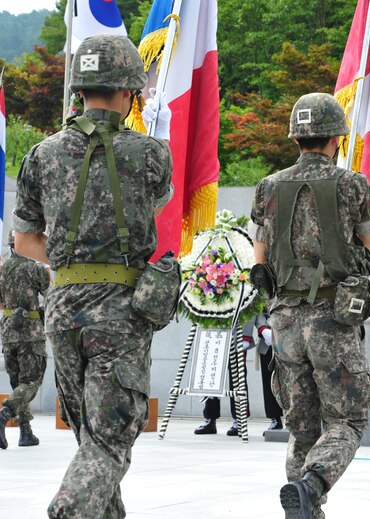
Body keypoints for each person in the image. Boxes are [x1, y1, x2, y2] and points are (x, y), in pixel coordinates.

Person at [12, 34, 173, 518]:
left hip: (62, 309)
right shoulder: (150, 154)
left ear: (79, 89)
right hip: (120, 313)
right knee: (109, 443)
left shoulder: (41, 154)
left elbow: (24, 242)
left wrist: (69, 258)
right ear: (128, 91)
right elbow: (158, 206)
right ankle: (66, 510)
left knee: (91, 441)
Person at [251, 92, 370, 519]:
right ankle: (313, 483)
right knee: (349, 418)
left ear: (296, 139)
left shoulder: (268, 186)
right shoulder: (352, 183)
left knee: (301, 425)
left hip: (285, 318)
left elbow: (261, 251)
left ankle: (303, 505)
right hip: (333, 316)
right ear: (336, 138)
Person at [0, 231, 50, 449]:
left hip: (8, 331)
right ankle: (4, 413)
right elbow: (54, 296)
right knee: (30, 382)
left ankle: (25, 432)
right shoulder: (35, 268)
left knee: (18, 383)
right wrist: (40, 313)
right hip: (30, 333)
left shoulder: (2, 269)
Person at [193, 324, 251, 437]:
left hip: (236, 330)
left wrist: (245, 335)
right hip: (214, 329)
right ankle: (210, 418)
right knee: (211, 373)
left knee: (237, 377)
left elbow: (249, 309)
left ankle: (239, 419)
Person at [256, 311, 284, 431]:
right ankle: (275, 417)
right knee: (269, 379)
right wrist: (262, 328)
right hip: (268, 335)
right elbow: (257, 308)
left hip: (293, 332)